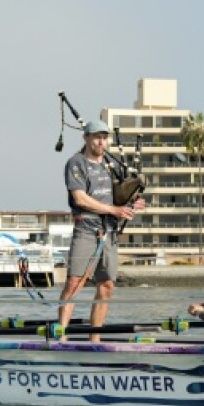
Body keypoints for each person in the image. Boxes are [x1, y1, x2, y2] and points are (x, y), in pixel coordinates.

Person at [57, 120, 146, 339]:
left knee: (106, 285)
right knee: (74, 283)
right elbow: (80, 198)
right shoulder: (76, 163)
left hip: (109, 232)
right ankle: (60, 336)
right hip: (86, 228)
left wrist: (133, 202)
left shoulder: (112, 164)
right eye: (97, 137)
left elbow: (122, 194)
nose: (101, 142)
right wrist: (113, 209)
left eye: (104, 138)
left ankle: (94, 338)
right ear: (86, 138)